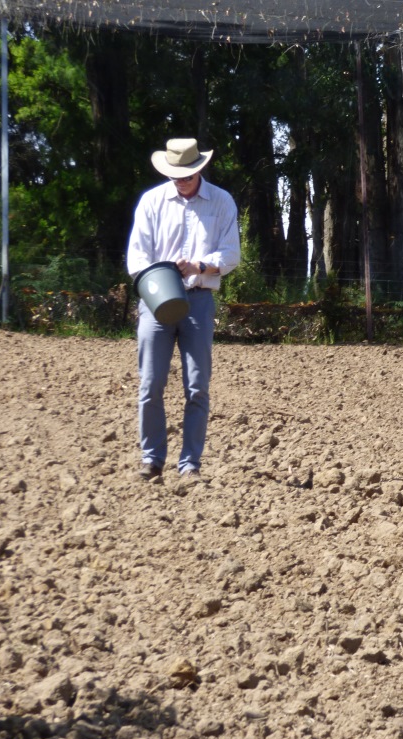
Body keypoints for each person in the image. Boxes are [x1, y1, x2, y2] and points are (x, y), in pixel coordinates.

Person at [126, 138, 241, 482]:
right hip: (156, 302)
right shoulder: (151, 202)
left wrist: (199, 266)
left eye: (187, 175)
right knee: (150, 384)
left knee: (197, 387)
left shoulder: (222, 202)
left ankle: (189, 465)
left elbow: (231, 254)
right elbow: (137, 257)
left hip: (199, 302)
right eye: (175, 176)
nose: (181, 181)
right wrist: (160, 276)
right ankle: (152, 460)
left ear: (200, 169)